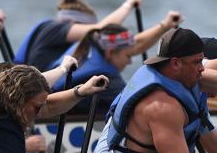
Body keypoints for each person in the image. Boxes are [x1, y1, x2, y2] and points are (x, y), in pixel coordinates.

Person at [47, 11, 182, 114]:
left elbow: (138, 43)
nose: (130, 62)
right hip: (52, 119)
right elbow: (136, 105)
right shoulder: (103, 77)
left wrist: (165, 25)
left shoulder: (88, 44)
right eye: (128, 55)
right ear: (111, 52)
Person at [15, 0, 143, 72]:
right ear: (75, 23)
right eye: (84, 27)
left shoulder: (57, 36)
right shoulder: (53, 28)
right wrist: (129, 4)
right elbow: (100, 29)